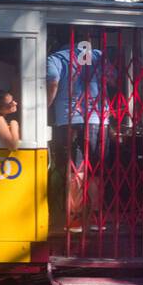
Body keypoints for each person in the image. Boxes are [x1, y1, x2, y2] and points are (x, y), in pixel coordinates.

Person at [47, 32, 105, 233]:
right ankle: (97, 217)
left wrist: (44, 108)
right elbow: (113, 79)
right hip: (98, 118)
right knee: (95, 170)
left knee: (76, 170)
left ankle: (76, 218)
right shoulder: (98, 55)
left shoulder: (56, 58)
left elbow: (53, 84)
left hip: (69, 119)